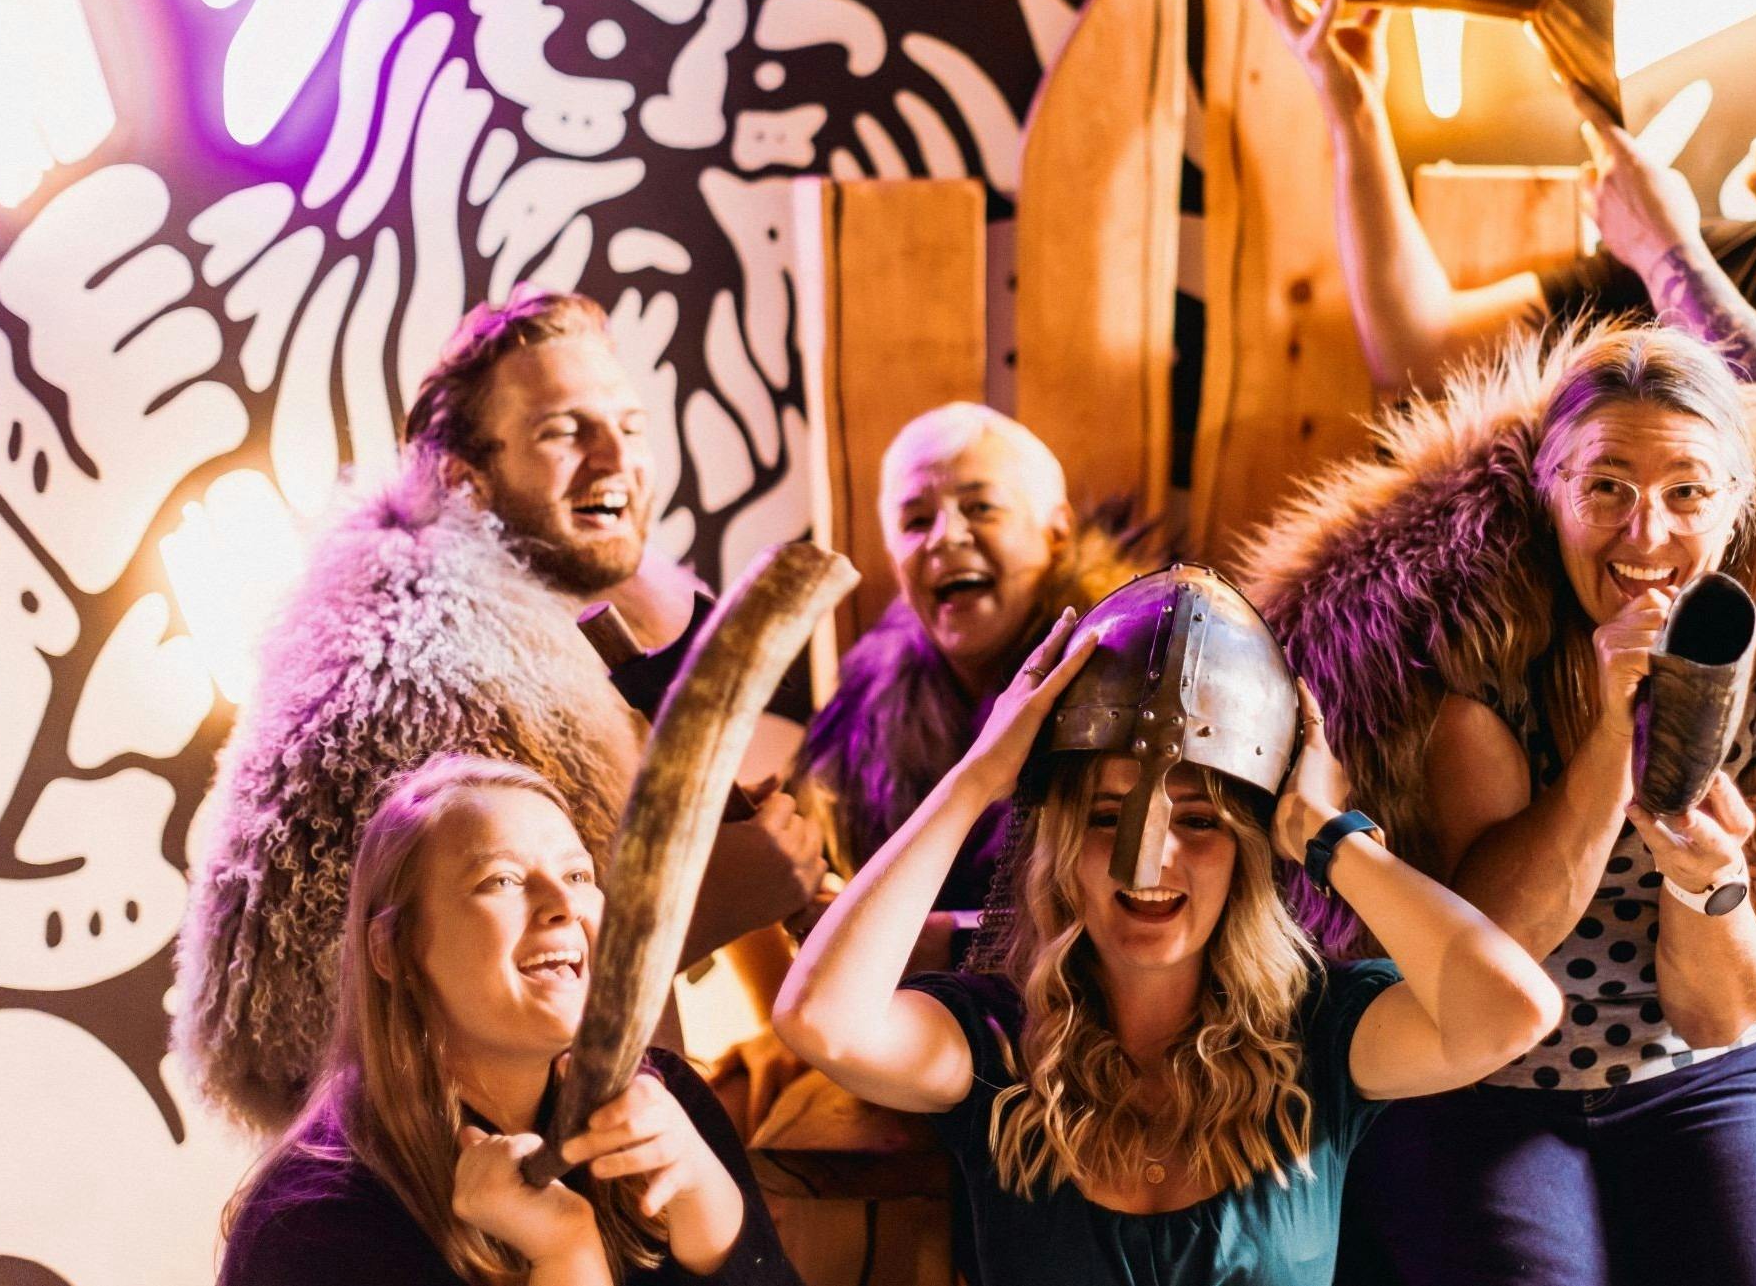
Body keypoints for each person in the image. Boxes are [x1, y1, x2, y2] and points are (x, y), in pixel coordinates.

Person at [1255, 0, 1756, 1217]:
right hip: (1600, 916)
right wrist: (1346, 107)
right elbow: (1415, 343)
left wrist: (1663, 247)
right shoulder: (1699, 272)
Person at [1245, 324, 1756, 1285]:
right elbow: (1500, 950)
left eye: (1687, 492)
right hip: (1486, 1070)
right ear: (1548, 489)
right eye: (1606, 487)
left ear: (1737, 502)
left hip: (1706, 1070)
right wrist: (1614, 733)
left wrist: (1707, 883)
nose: (1644, 534)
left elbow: (1719, 1012)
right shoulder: (1478, 654)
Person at [177, 291, 824, 1129]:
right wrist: (705, 903)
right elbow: (443, 998)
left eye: (628, 426)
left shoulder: (548, 638)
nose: (614, 460)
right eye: (563, 431)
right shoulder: (427, 672)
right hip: (449, 1181)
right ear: (463, 477)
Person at [771, 600, 1561, 1286]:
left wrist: (1327, 834)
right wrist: (978, 776)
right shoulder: (997, 1044)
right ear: (1060, 846)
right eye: (1107, 817)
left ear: (1250, 849)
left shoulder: (1319, 1033)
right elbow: (820, 1018)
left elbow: (1514, 1009)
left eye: (1200, 820)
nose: (1148, 860)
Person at [218, 755, 802, 1286]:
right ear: (392, 951)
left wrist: (702, 1188)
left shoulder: (666, 1100)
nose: (563, 905)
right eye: (501, 880)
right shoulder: (313, 1229)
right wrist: (565, 1251)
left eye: (578, 876)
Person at [791, 401, 1153, 954]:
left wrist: (947, 945)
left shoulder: (1137, 685)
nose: (946, 537)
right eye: (916, 522)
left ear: (1056, 532)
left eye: (981, 508)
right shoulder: (860, 731)